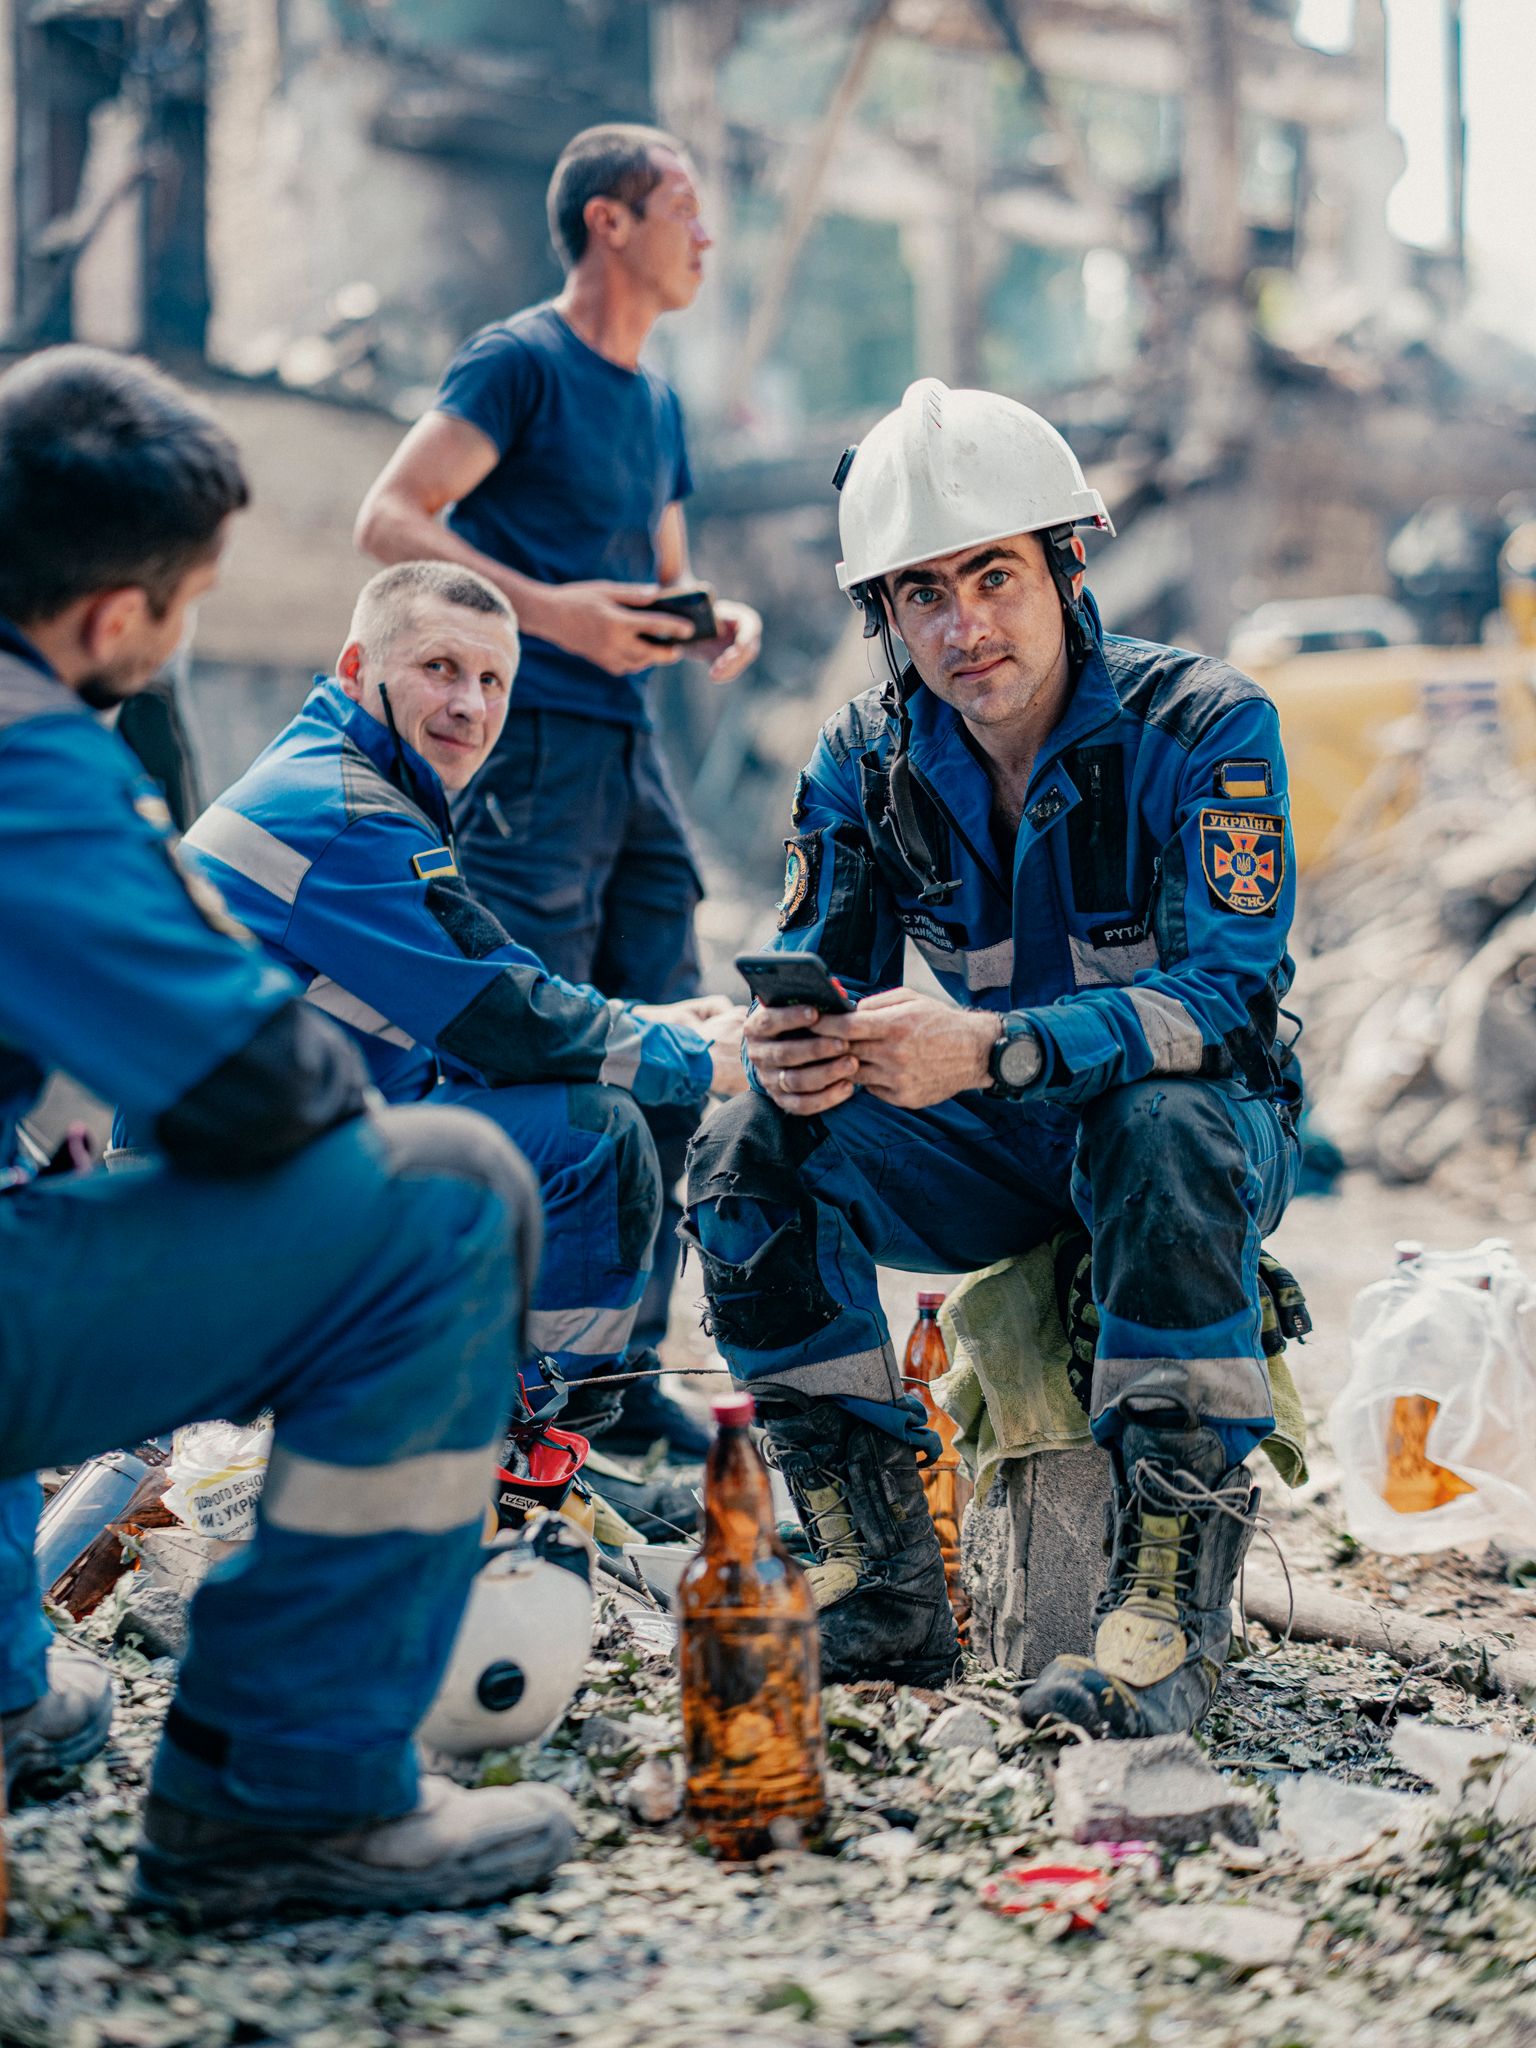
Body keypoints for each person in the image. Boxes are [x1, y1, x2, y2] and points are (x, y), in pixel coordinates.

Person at [0, 344, 576, 1922]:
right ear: (119, 619)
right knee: (445, 1198)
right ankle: (284, 1795)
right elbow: (263, 1092)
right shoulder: (34, 757)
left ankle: (1, 1682)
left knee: (33, 1166)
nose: (465, 705)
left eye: (489, 684)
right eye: (186, 603)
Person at [684, 379, 1302, 1735]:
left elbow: (1231, 998)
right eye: (920, 595)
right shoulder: (866, 754)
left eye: (992, 577)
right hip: (998, 1145)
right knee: (744, 1152)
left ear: (1068, 566)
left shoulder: (1201, 726)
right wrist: (791, 1048)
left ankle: (1167, 1608)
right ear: (885, 616)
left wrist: (1001, 1048)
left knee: (1160, 1121)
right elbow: (824, 970)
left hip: (1194, 1140)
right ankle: (876, 1578)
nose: (964, 627)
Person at [354, 122, 763, 1454]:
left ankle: (617, 1389)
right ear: (608, 221)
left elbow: (651, 582)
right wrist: (551, 619)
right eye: (685, 210)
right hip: (529, 753)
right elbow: (394, 519)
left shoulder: (655, 402)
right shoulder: (518, 361)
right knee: (544, 1062)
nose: (707, 238)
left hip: (628, 751)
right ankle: (509, 1393)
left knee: (670, 1055)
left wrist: (709, 622)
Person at [177, 559, 743, 1429]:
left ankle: (485, 1422)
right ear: (358, 669)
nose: (471, 706)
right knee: (593, 1138)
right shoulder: (347, 816)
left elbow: (482, 991)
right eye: (440, 668)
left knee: (518, 1115)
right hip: (228, 1206)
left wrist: (652, 1022)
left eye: (492, 682)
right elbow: (505, 1023)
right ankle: (539, 1446)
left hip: (260, 1159)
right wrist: (701, 1059)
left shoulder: (348, 777)